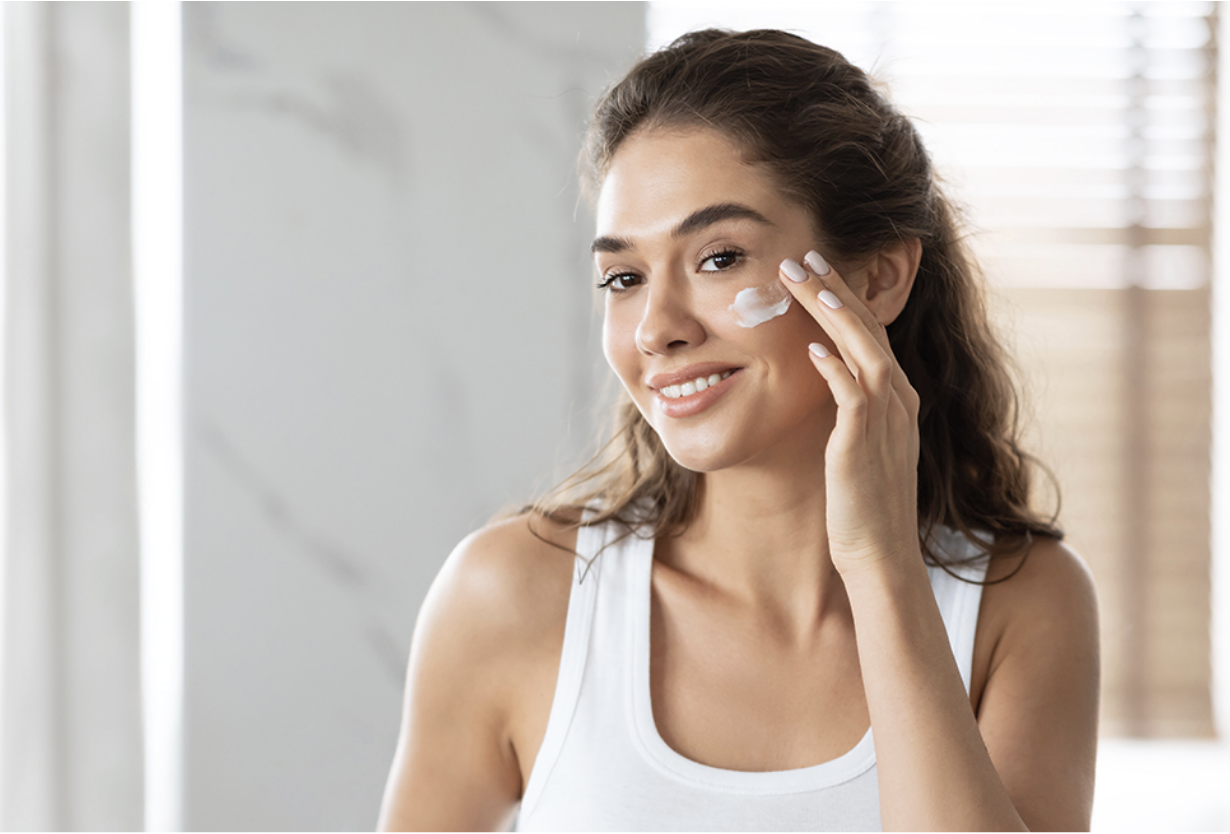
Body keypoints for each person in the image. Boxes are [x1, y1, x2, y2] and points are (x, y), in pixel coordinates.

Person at [377, 28, 1099, 832]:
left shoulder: (1020, 604)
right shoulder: (511, 595)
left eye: (720, 258)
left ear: (878, 276)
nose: (657, 328)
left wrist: (881, 564)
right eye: (624, 277)